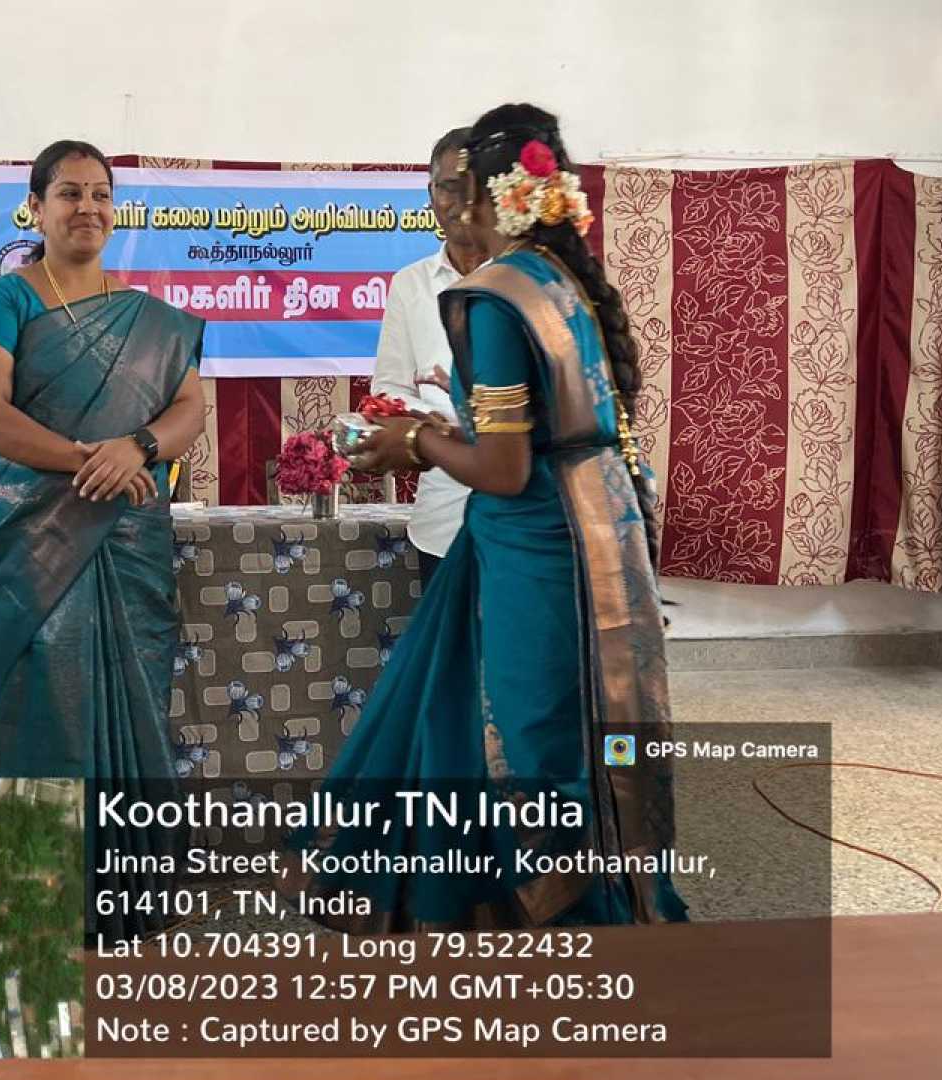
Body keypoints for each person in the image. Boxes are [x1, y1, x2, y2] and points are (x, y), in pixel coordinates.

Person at [288, 104, 685, 931]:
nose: (448, 205)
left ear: (482, 196)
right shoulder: (561, 282)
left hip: (533, 539)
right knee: (546, 711)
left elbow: (504, 469)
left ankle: (560, 914)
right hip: (596, 526)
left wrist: (415, 442)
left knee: (532, 729)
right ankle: (574, 888)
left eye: (457, 188)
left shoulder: (494, 297)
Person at [0, 139, 206, 780]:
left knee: (137, 688)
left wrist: (137, 448)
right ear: (36, 209)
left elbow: (189, 409)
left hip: (130, 533)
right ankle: (40, 841)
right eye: (69, 193)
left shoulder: (150, 318)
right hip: (34, 537)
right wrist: (87, 461)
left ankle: (128, 836)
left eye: (100, 195)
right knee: (42, 694)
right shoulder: (5, 300)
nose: (87, 207)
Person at [370, 126, 485, 589]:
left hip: (523, 516)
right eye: (446, 187)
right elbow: (388, 389)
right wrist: (431, 423)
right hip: (442, 517)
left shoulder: (524, 282)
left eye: (471, 186)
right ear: (430, 195)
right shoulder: (411, 284)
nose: (459, 202)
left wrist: (471, 414)